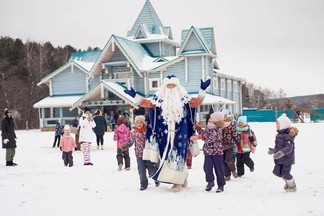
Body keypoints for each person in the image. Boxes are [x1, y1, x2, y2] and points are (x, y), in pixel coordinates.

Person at [124, 74, 210, 192]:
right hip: (164, 134)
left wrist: (202, 90)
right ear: (164, 86)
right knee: (167, 156)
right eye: (168, 85)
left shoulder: (184, 98)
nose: (170, 87)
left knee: (178, 155)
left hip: (181, 133)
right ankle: (182, 178)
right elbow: (146, 103)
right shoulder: (159, 99)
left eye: (173, 85)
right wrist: (135, 96)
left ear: (177, 86)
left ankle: (177, 183)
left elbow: (197, 102)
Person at [190, 111, 226, 193]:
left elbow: (209, 137)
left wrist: (197, 137)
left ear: (216, 121)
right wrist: (198, 127)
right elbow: (205, 133)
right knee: (207, 168)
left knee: (219, 169)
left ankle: (221, 185)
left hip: (217, 153)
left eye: (211, 118)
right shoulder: (208, 127)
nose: (209, 120)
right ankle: (210, 182)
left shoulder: (218, 129)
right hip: (208, 152)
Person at [268, 114, 298, 192]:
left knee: (285, 173)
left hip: (287, 159)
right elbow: (278, 146)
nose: (276, 125)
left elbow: (289, 147)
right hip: (279, 158)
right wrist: (274, 150)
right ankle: (288, 182)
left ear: (283, 125)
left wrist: (281, 153)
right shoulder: (278, 135)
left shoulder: (288, 136)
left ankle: (292, 185)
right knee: (277, 172)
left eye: (278, 123)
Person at [127, 115, 159, 190]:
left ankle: (156, 178)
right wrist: (126, 145)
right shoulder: (134, 133)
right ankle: (143, 184)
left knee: (151, 168)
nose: (139, 124)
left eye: (141, 122)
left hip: (148, 153)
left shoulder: (147, 131)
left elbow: (152, 139)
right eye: (137, 122)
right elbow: (130, 141)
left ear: (144, 123)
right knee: (141, 170)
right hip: (139, 154)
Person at [222, 115, 239, 181]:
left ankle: (233, 170)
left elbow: (235, 136)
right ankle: (227, 175)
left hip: (230, 147)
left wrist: (238, 143)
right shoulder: (220, 128)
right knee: (223, 162)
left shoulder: (231, 128)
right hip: (221, 148)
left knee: (228, 160)